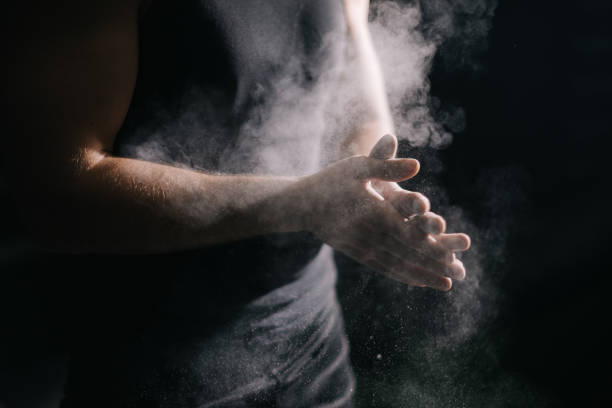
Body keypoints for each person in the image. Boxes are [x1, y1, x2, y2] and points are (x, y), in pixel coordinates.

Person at [1, 0, 471, 406]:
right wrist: (298, 203)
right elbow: (60, 195)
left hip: (313, 350)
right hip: (156, 366)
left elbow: (357, 106)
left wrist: (376, 189)